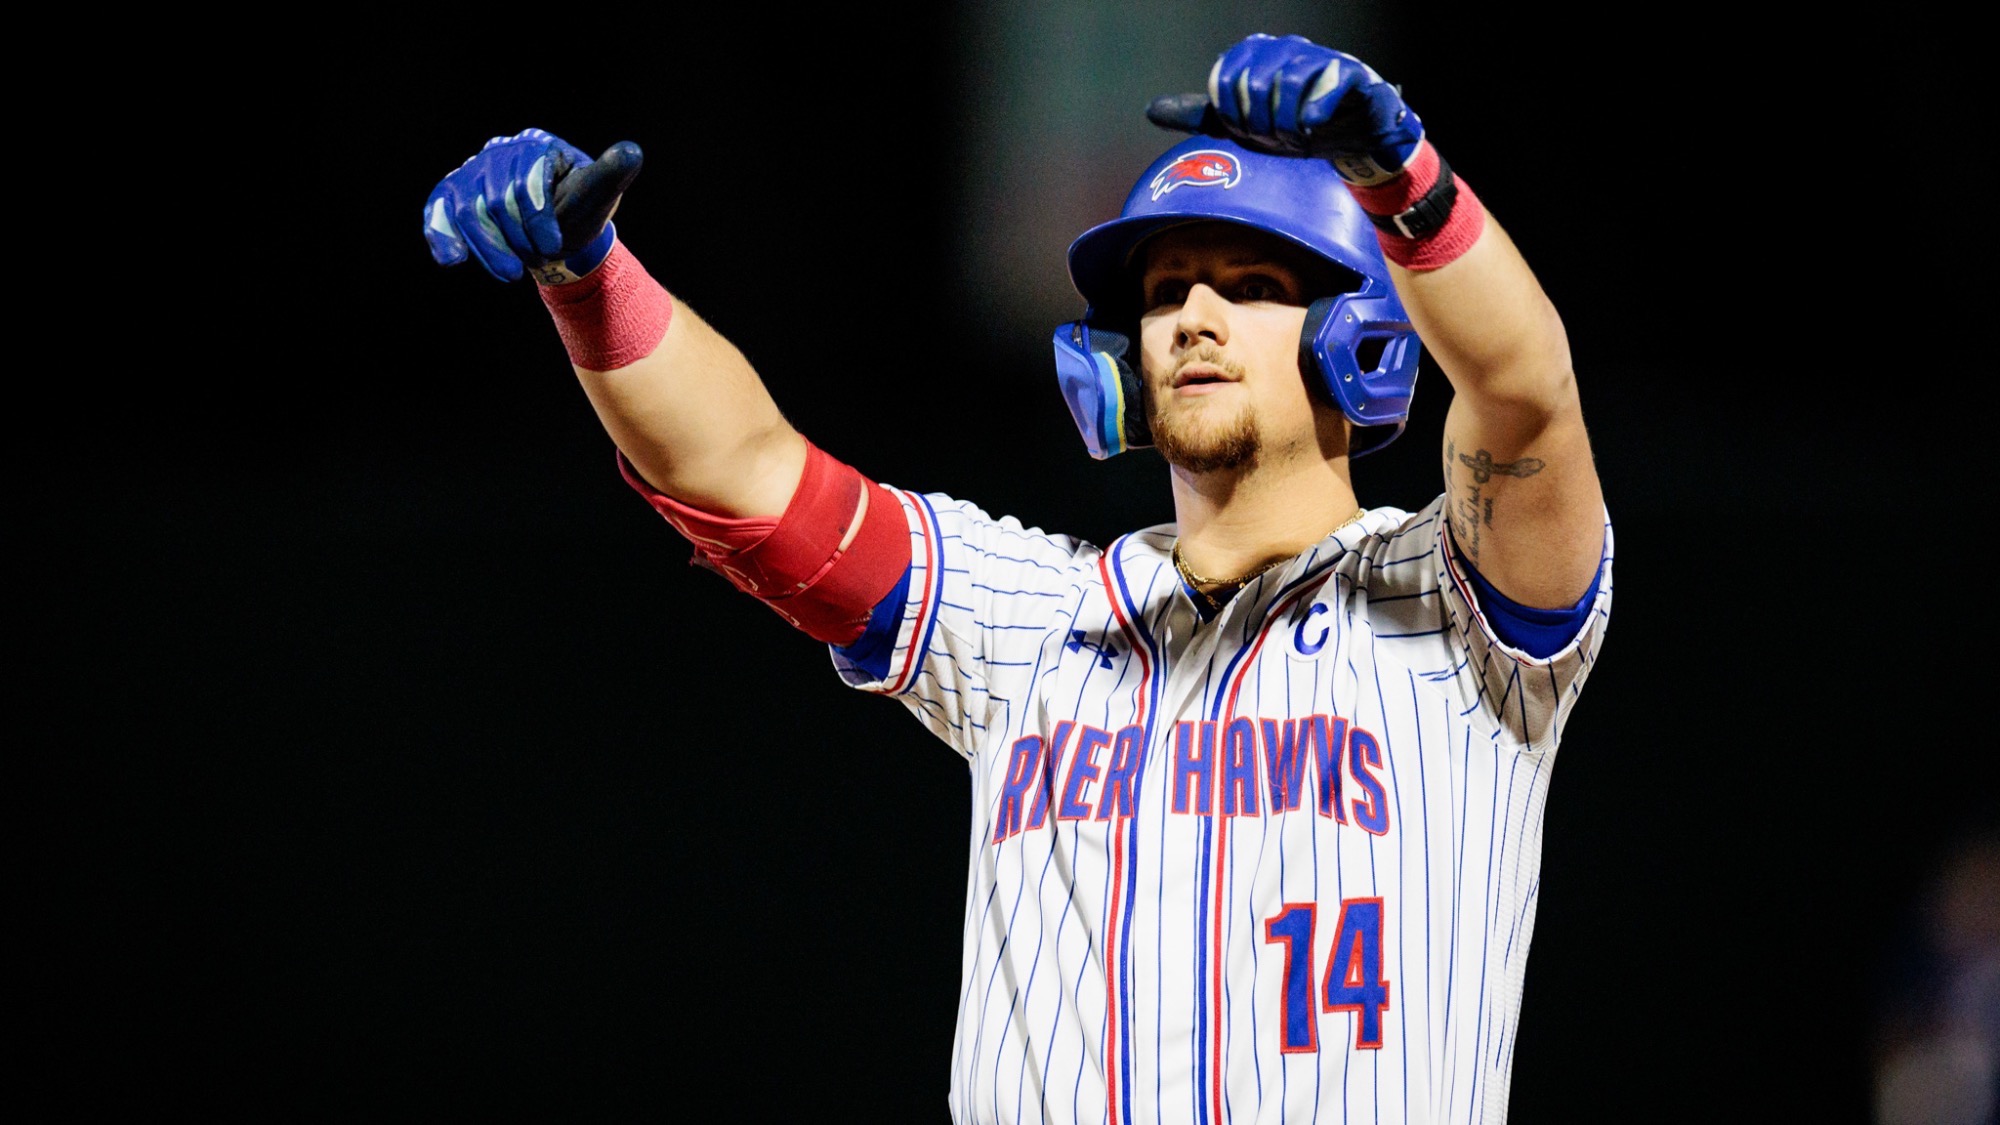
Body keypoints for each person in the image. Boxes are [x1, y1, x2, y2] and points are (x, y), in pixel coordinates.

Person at [423, 33, 1613, 1124]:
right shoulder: (1033, 619)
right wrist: (586, 277)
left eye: (1252, 286)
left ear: (1360, 339)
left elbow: (1523, 392)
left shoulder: (1455, 601)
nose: (1191, 317)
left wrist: (1401, 179)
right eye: (1160, 293)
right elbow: (743, 478)